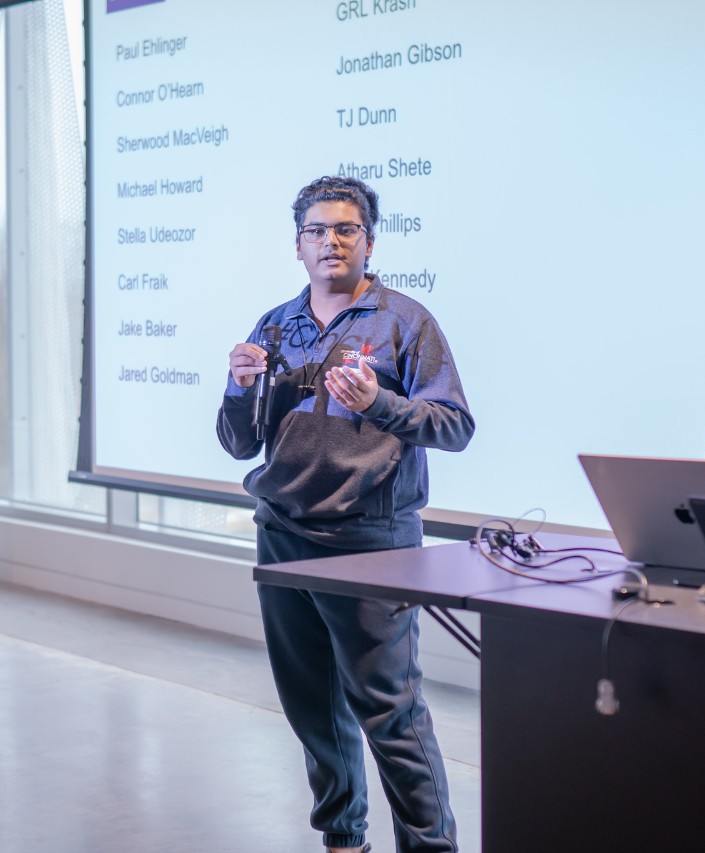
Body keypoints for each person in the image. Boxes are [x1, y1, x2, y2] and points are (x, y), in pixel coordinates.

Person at [216, 175, 473, 853]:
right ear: (297, 245)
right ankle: (343, 840)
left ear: (369, 240)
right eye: (317, 231)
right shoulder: (275, 325)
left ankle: (429, 847)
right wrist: (241, 388)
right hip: (283, 537)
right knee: (313, 712)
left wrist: (377, 405)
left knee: (389, 713)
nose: (331, 242)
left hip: (373, 541)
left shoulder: (405, 322)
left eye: (345, 229)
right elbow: (241, 442)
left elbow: (454, 426)